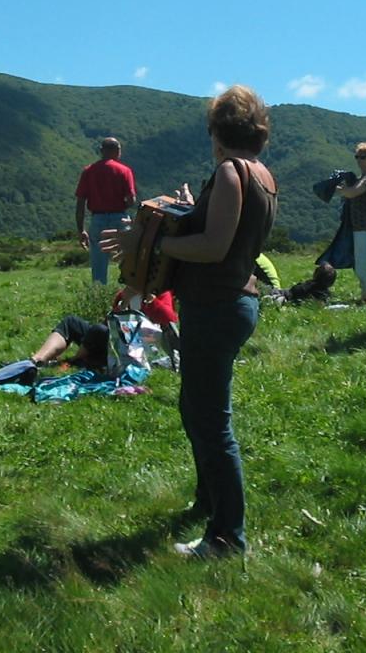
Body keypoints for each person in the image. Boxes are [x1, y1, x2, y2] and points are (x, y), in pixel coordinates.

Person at [104, 84, 277, 560]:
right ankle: (209, 501)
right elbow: (230, 232)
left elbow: (214, 246)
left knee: (211, 421)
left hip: (215, 305)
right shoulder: (262, 175)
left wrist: (151, 243)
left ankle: (226, 537)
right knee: (197, 410)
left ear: (216, 130)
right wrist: (190, 209)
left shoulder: (227, 171)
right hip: (237, 301)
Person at [30, 289, 178, 370]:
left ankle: (74, 361)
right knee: (71, 322)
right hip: (113, 344)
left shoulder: (161, 293)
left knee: (98, 330)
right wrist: (123, 303)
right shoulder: (123, 294)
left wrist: (150, 299)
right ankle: (37, 360)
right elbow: (110, 322)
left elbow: (169, 318)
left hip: (137, 350)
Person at [75, 137, 137, 284]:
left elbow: (80, 202)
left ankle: (99, 297)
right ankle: (130, 293)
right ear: (117, 151)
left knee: (98, 264)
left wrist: (81, 230)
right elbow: (131, 200)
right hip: (120, 218)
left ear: (102, 151)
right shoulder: (124, 171)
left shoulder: (88, 171)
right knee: (129, 258)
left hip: (98, 219)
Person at [334, 142, 366, 301]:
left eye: (363, 157)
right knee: (362, 261)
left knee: (363, 264)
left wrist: (337, 190)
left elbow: (353, 193)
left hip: (365, 225)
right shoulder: (364, 176)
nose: (359, 160)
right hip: (360, 225)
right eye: (357, 157)